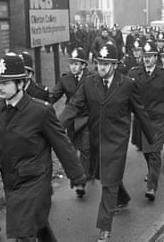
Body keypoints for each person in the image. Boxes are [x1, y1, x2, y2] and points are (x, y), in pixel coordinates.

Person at [0, 52, 87, 242]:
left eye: (5, 83)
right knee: (36, 226)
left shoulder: (40, 111)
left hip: (36, 180)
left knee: (23, 232)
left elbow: (62, 144)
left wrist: (77, 175)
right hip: (10, 180)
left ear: (20, 83)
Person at [59, 43, 155, 242]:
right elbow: (73, 106)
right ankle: (123, 198)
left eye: (106, 64)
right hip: (96, 140)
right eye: (99, 63)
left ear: (114, 65)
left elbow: (140, 111)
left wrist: (151, 137)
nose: (101, 67)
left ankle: (105, 228)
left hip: (117, 142)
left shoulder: (127, 84)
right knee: (105, 176)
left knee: (109, 182)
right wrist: (57, 127)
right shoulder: (89, 83)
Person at [127, 40, 164, 201]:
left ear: (156, 58)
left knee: (154, 152)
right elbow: (127, 97)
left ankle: (152, 188)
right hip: (141, 120)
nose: (147, 59)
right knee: (146, 152)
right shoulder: (134, 74)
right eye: (145, 56)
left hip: (158, 119)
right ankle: (151, 171)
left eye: (150, 56)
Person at [50, 47, 93, 197]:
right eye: (71, 63)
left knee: (86, 150)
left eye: (77, 63)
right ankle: (78, 177)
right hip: (71, 120)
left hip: (88, 119)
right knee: (72, 151)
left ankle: (81, 183)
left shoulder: (92, 78)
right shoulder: (65, 79)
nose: (73, 67)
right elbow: (53, 96)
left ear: (83, 65)